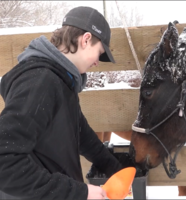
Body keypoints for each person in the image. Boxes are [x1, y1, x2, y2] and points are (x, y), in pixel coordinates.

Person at [0, 6, 124, 199]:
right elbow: (4, 161)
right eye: (99, 53)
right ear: (86, 39)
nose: (97, 62)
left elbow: (82, 135)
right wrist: (79, 193)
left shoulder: (62, 81)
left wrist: (115, 168)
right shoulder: (40, 82)